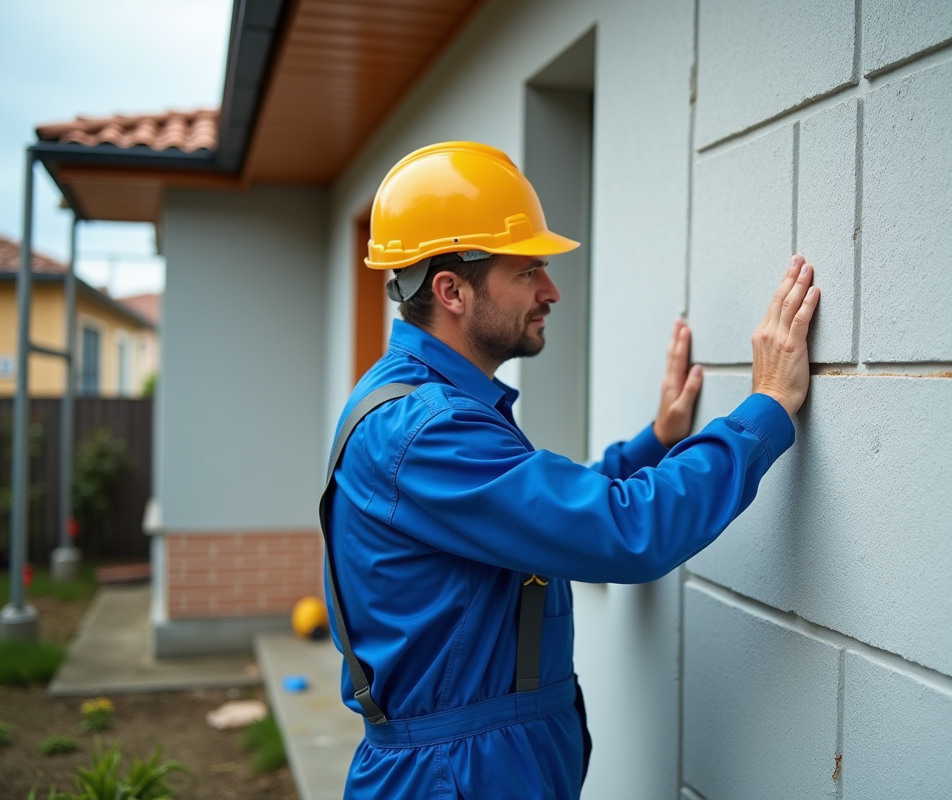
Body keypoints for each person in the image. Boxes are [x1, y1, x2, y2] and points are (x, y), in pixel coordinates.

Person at [323, 141, 820, 799]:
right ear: (452, 291)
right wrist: (766, 409)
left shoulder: (425, 405)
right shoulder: (425, 429)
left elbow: (532, 511)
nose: (551, 290)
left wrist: (656, 442)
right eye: (528, 270)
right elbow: (624, 532)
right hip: (456, 781)